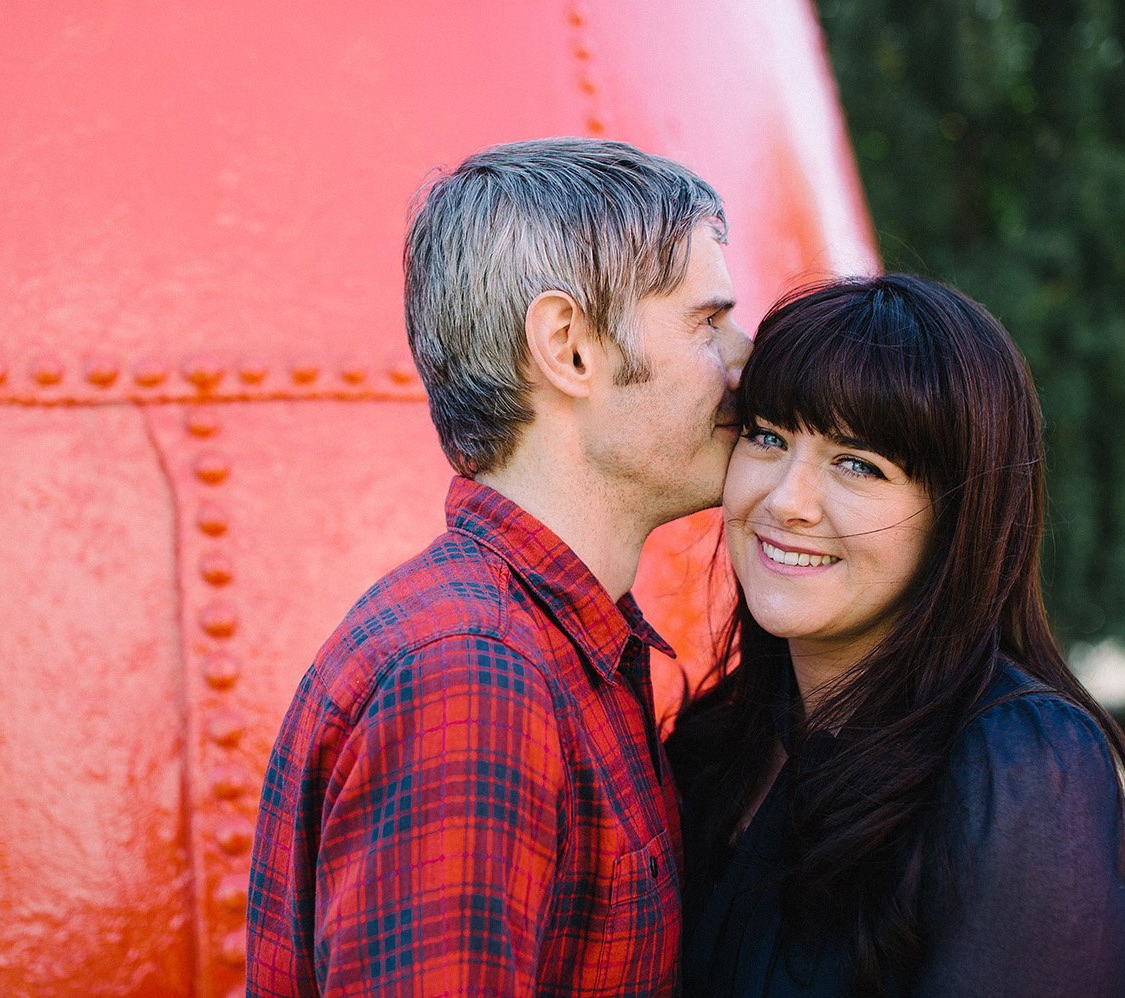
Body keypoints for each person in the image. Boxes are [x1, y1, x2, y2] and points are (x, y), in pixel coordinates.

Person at [247, 137, 751, 997]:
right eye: (708, 321)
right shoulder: (473, 676)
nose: (743, 357)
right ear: (570, 347)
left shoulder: (550, 649)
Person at [666, 274, 1125, 997]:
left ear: (957, 520)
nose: (785, 500)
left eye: (858, 464)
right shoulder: (712, 747)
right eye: (768, 437)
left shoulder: (1017, 770)